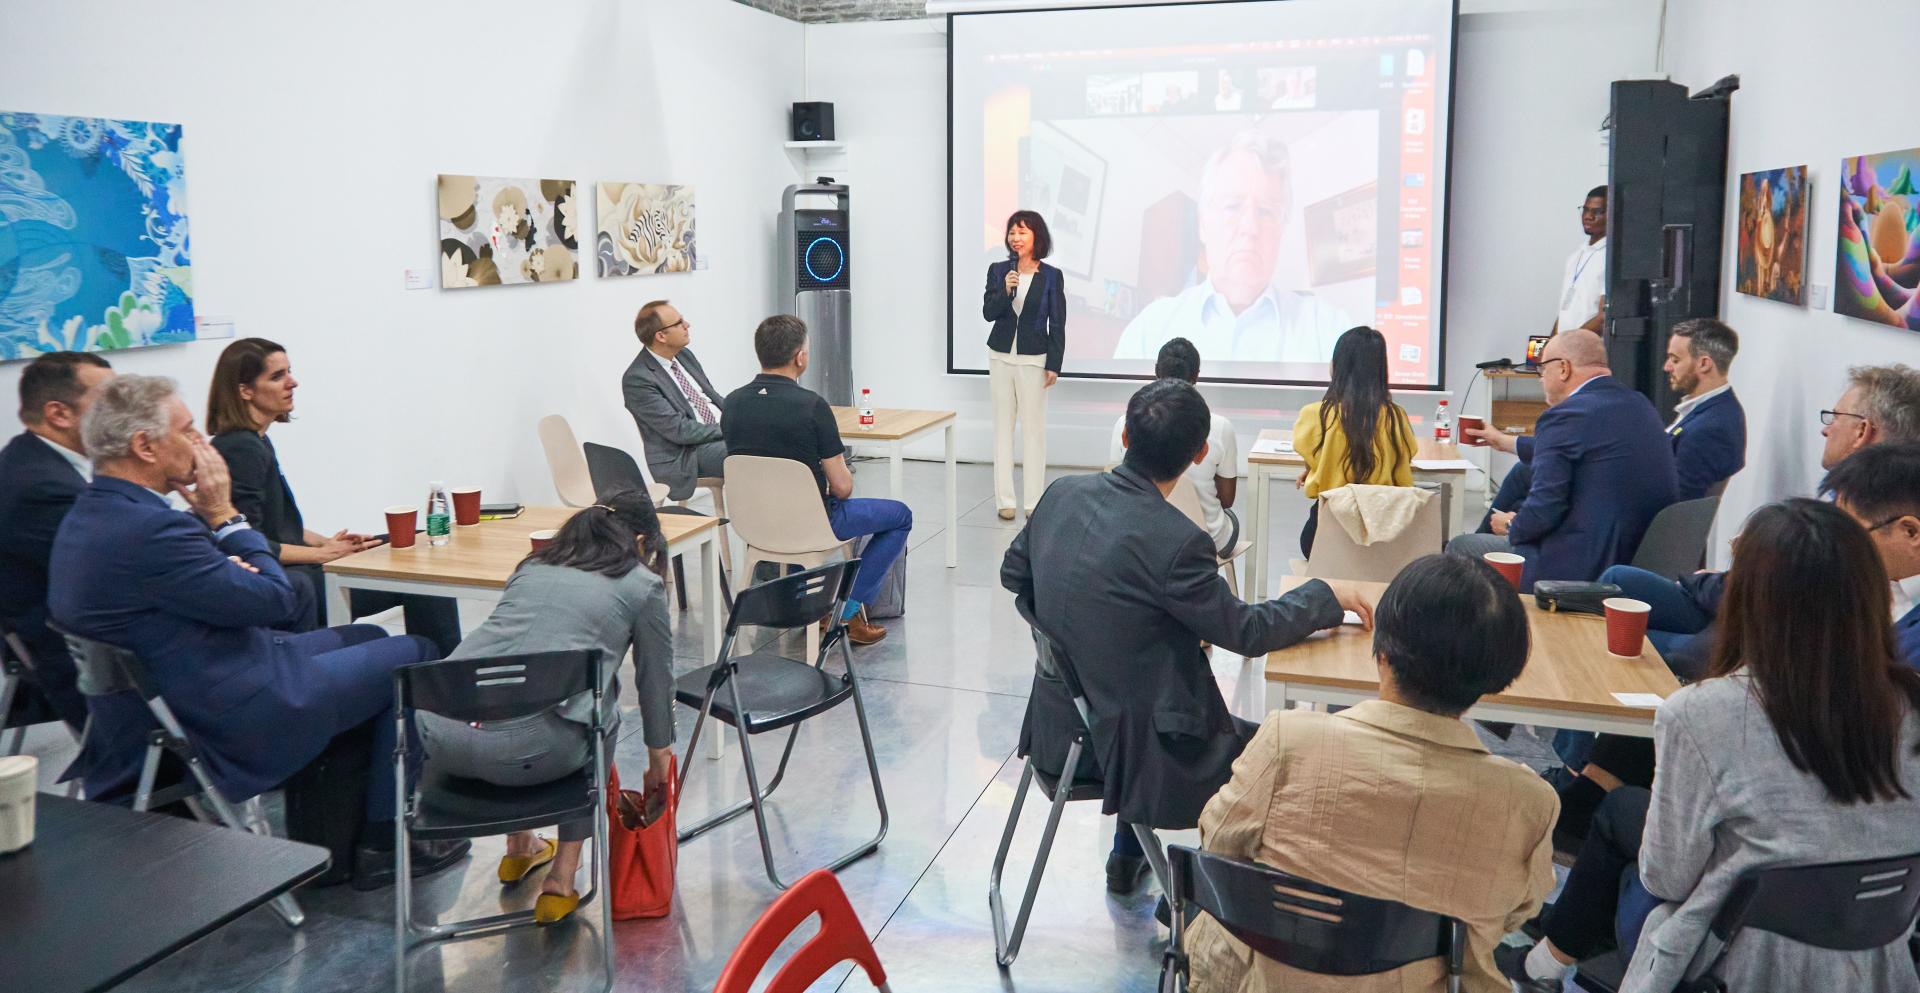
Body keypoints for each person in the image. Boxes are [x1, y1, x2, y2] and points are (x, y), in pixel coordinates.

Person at [47, 375, 469, 889]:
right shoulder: (154, 529)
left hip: (156, 703)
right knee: (414, 652)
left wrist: (232, 565)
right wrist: (226, 519)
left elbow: (226, 590)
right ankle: (387, 842)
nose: (202, 443)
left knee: (367, 639)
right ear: (145, 446)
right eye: (188, 431)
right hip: (227, 710)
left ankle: (339, 830)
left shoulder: (90, 514)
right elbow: (276, 599)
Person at [1500, 500, 1920, 993]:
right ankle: (1558, 942)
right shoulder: (1908, 702)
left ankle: (1547, 961)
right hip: (1874, 955)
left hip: (1730, 955)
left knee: (1621, 811)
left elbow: (1667, 879)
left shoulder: (1706, 712)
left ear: (1746, 598)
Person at [1001, 377, 1373, 894]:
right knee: (1285, 750)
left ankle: (1128, 854)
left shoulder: (1061, 494)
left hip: (1062, 725)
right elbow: (1247, 631)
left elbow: (1013, 574)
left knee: (1134, 689)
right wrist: (1324, 594)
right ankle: (1211, 896)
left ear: (1125, 437)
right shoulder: (1177, 542)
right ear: (1199, 455)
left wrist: (1096, 619)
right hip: (1145, 751)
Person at [1187, 554, 1555, 993]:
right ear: (1498, 677)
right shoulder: (1526, 802)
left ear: (1381, 652)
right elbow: (1516, 911)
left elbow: (1217, 841)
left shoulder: (1290, 742)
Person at [418, 488, 675, 924]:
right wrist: (659, 761)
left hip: (438, 734)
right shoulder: (641, 584)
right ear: (638, 541)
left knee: (512, 686)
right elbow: (655, 681)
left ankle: (521, 845)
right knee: (601, 703)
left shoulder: (533, 565)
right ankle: (561, 879)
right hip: (529, 752)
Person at [1598, 362, 1920, 669]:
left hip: (1760, 638)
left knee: (1616, 641)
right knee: (1617, 582)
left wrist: (1739, 572)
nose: (1825, 429)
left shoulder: (1865, 523)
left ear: (1862, 431)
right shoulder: (1849, 500)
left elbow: (1783, 601)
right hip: (1743, 610)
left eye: (1834, 417)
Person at [206, 338, 462, 655]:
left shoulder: (254, 441)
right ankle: (445, 673)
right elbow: (248, 540)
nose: (292, 382)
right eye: (277, 376)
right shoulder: (240, 448)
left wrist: (326, 543)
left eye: (289, 372)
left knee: (413, 544)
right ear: (245, 390)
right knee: (418, 568)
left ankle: (441, 671)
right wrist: (322, 555)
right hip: (288, 582)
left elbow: (277, 524)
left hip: (296, 568)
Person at [722, 315, 911, 646]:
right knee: (900, 516)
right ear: (800, 357)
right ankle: (846, 612)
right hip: (810, 523)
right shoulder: (812, 406)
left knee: (791, 513)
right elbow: (843, 487)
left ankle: (803, 603)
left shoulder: (732, 403)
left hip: (753, 524)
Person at [1450, 330, 1676, 589]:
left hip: (1578, 566)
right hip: (1634, 561)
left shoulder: (1565, 415)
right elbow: (1584, 451)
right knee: (1523, 473)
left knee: (1460, 548)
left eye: (1542, 369)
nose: (1541, 379)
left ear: (1564, 368)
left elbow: (1544, 510)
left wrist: (1511, 525)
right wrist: (1504, 441)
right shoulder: (1639, 404)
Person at [1112, 130, 1351, 365]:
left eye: (1266, 211)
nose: (1250, 227)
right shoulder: (1149, 331)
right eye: (1232, 207)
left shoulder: (1330, 333)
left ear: (1282, 229)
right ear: (1203, 224)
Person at [0, 351, 114, 735]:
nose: (124, 412)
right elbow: (121, 571)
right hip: (91, 667)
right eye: (110, 400)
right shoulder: (43, 487)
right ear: (59, 414)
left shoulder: (32, 460)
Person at [1288, 326, 1416, 556]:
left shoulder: (1315, 414)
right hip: (1383, 538)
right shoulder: (1397, 418)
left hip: (1324, 539)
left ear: (1337, 366)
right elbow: (1402, 467)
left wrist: (1316, 470)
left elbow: (1316, 458)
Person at [1106, 337, 1240, 554]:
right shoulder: (1220, 427)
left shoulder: (1126, 421)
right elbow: (1226, 500)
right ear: (1196, 375)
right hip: (1204, 540)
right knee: (1229, 517)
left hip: (1141, 539)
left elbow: (1117, 483)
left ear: (1156, 371)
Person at [982, 210, 1066, 520]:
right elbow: (989, 313)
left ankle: (1033, 502)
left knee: (1033, 432)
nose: (1015, 238)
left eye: (1022, 232)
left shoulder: (1052, 276)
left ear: (1036, 236)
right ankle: (1005, 500)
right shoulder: (998, 270)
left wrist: (1054, 364)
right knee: (1003, 430)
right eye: (1012, 232)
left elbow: (1057, 323)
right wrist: (1005, 290)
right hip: (1000, 356)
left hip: (1034, 359)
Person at [622, 299, 729, 502]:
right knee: (751, 452)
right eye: (679, 323)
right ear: (661, 336)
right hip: (686, 454)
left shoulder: (684, 356)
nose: (687, 325)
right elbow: (680, 430)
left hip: (718, 433)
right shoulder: (638, 379)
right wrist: (729, 428)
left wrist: (743, 416)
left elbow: (711, 398)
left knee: (772, 436)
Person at [1660, 318, 1745, 501]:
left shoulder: (1709, 430)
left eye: (1675, 360)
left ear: (1704, 364)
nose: (1667, 367)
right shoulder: (1718, 407)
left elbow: (1677, 503)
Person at [1552, 186, 1608, 335]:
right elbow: (1565, 311)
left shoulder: (1610, 258)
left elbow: (1603, 318)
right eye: (1585, 210)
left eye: (1597, 211)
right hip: (1566, 345)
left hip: (1588, 346)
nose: (1588, 216)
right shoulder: (1575, 256)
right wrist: (1551, 344)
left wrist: (1568, 343)